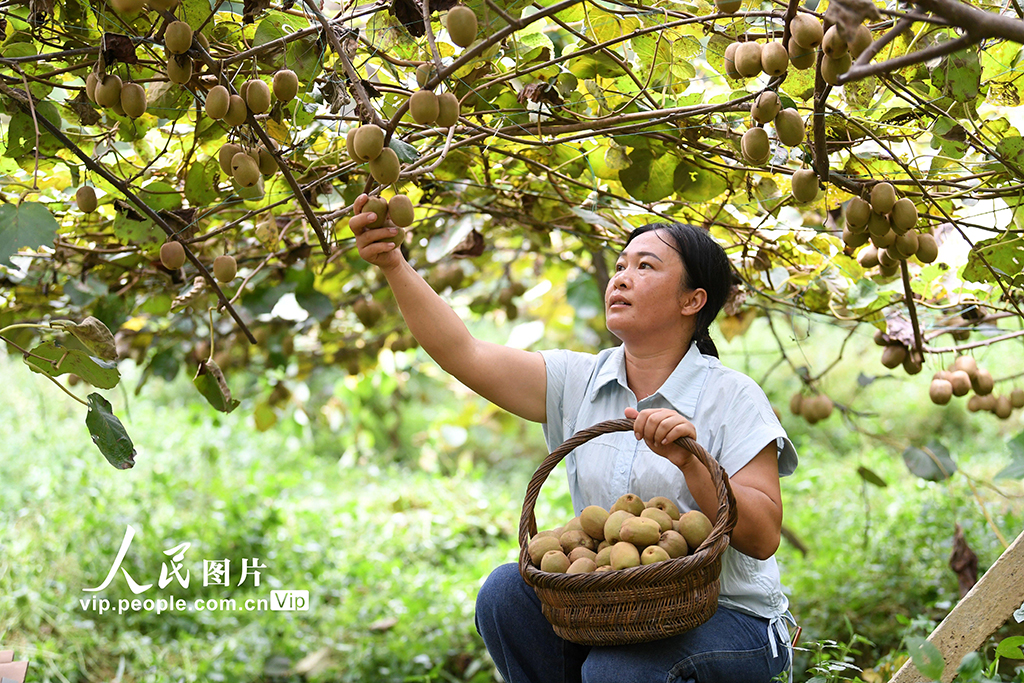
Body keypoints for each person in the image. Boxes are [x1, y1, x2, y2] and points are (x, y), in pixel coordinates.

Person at [350, 193, 799, 683]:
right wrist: (393, 261)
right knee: (505, 593)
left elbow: (761, 538)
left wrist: (692, 463)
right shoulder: (577, 380)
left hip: (731, 617)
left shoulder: (732, 395)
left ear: (693, 300)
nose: (621, 277)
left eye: (645, 266)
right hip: (611, 609)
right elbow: (465, 352)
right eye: (621, 264)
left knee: (616, 671)